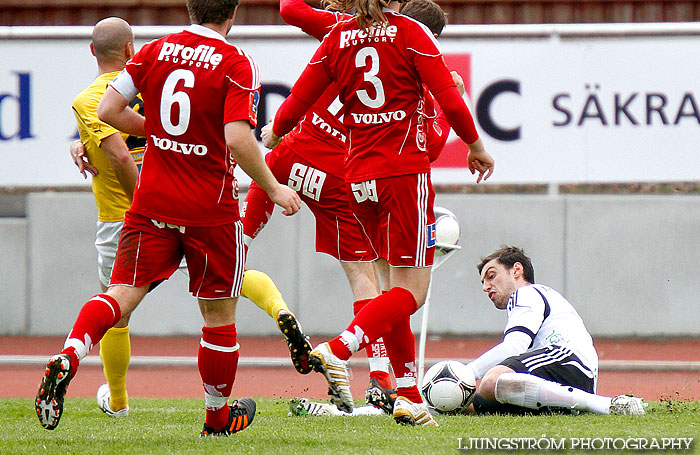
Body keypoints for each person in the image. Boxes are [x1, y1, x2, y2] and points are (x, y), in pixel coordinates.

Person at [36, 0, 301, 436]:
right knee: (218, 316)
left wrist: (158, 129)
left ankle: (68, 354)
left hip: (152, 201)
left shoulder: (153, 51)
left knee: (120, 294)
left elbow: (107, 112)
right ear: (231, 14)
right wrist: (273, 187)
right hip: (209, 208)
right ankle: (217, 419)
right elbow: (237, 138)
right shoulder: (236, 62)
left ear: (189, 9)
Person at [263, 0, 494, 426]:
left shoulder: (337, 35)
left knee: (390, 286)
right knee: (412, 292)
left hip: (356, 178)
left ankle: (406, 394)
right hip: (401, 174)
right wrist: (476, 146)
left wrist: (276, 130)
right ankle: (339, 349)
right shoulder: (410, 33)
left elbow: (300, 95)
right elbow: (450, 104)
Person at [460, 246, 645, 416]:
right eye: (483, 282)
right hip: (568, 381)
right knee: (471, 405)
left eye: (491, 276)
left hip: (567, 361)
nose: (485, 287)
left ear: (517, 270)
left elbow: (514, 347)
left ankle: (607, 405)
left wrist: (463, 375)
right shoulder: (540, 297)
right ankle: (584, 404)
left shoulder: (526, 293)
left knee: (493, 381)